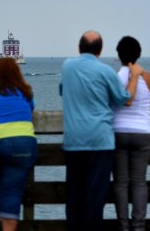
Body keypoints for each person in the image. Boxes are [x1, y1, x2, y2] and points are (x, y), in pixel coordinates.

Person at [60, 30, 144, 231]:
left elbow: (63, 91)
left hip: (73, 141)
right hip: (100, 141)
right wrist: (134, 77)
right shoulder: (106, 71)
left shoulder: (67, 66)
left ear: (79, 48)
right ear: (100, 50)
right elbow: (123, 99)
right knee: (95, 198)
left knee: (74, 197)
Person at [0, 58, 38, 231]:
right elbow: (31, 108)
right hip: (21, 143)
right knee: (12, 193)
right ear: (18, 73)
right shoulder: (25, 91)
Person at [112, 36, 150, 231]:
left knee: (121, 183)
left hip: (118, 131)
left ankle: (123, 225)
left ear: (118, 55)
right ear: (138, 54)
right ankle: (139, 226)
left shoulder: (114, 77)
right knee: (139, 182)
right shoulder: (148, 77)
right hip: (142, 132)